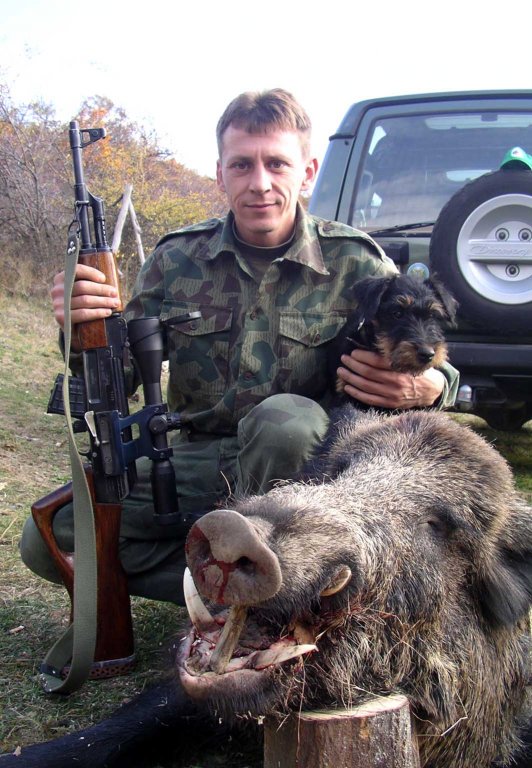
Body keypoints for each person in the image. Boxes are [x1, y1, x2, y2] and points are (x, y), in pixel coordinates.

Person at [20, 89, 459, 603]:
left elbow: (425, 344)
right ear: (220, 174)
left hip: (305, 468)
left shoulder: (356, 262)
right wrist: (82, 326)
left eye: (277, 163)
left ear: (308, 171)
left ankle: (268, 577)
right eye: (242, 165)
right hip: (193, 456)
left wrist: (432, 386)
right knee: (49, 539)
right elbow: (122, 374)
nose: (260, 183)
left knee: (286, 422)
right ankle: (230, 584)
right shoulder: (175, 259)